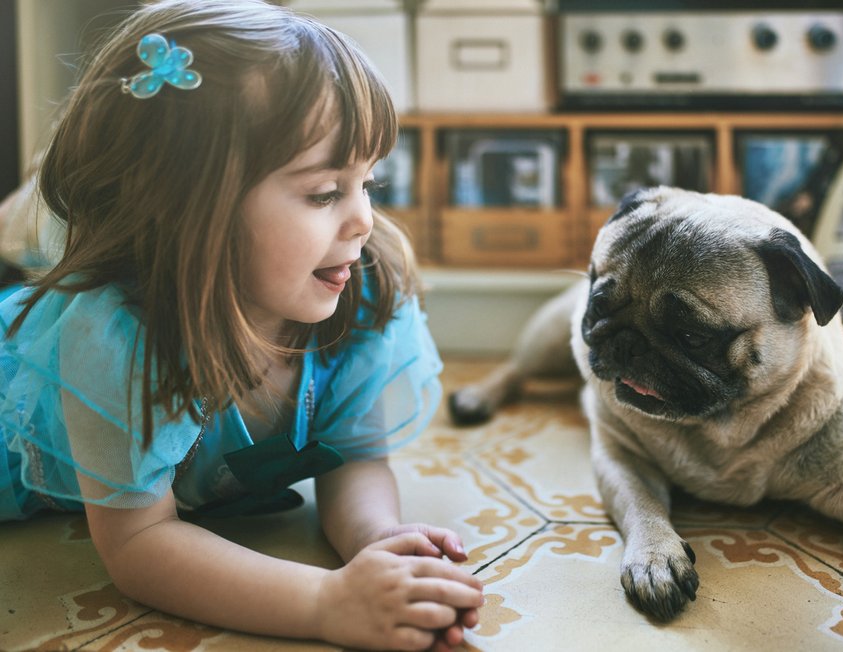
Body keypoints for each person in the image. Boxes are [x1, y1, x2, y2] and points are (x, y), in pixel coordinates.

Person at [0, 1, 484, 649]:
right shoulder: (115, 337)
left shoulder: (360, 293)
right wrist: (327, 600)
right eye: (323, 193)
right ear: (187, 211)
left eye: (368, 182)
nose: (363, 219)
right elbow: (140, 542)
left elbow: (355, 454)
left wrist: (375, 537)